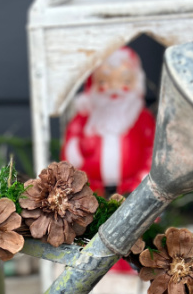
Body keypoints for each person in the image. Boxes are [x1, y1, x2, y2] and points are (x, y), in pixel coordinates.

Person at [61, 46, 155, 196]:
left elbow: (152, 149)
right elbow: (69, 151)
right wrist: (78, 148)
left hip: (132, 189)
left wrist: (145, 177)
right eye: (104, 82)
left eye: (124, 80)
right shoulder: (83, 118)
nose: (114, 89)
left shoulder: (142, 118)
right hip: (90, 191)